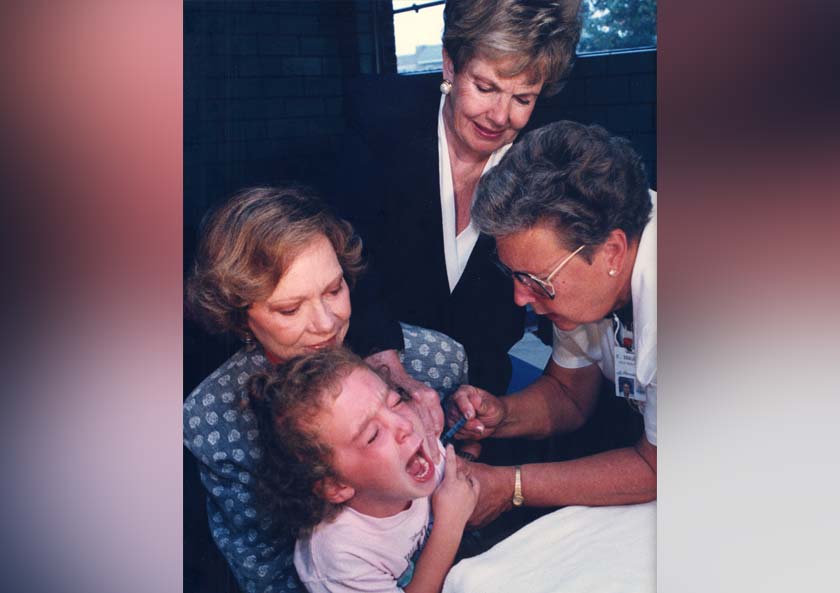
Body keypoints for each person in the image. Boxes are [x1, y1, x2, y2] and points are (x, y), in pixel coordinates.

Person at [183, 186, 468, 593]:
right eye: (289, 309)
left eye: (334, 290)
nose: (326, 324)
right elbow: (268, 576)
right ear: (240, 318)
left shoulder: (435, 361)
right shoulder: (212, 420)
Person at [335, 0, 583, 396]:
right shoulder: (378, 130)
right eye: (485, 88)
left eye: (523, 99)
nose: (500, 116)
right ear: (450, 65)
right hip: (375, 381)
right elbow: (345, 267)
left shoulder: (547, 159)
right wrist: (386, 369)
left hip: (483, 396)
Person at [448, 120, 657, 527]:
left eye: (535, 281)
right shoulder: (585, 271)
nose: (520, 298)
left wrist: (512, 487)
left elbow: (658, 469)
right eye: (514, 275)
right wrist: (500, 416)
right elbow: (570, 394)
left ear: (612, 252)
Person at [247, 348, 479, 593]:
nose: (405, 425)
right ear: (335, 485)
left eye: (396, 402)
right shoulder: (338, 554)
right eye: (373, 435)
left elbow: (457, 479)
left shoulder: (414, 456)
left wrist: (470, 445)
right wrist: (450, 526)